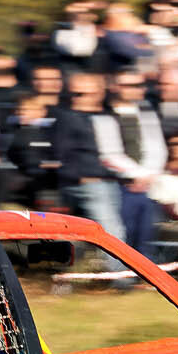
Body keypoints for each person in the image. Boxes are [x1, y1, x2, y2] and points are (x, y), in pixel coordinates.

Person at [52, 72, 124, 241]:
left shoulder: (108, 116)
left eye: (84, 94)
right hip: (89, 183)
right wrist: (80, 177)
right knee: (112, 234)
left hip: (112, 180)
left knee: (116, 230)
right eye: (75, 94)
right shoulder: (67, 118)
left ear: (100, 93)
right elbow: (61, 153)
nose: (78, 98)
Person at [104, 70, 168, 255]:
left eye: (139, 85)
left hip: (147, 184)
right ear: (115, 87)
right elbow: (108, 153)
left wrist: (149, 176)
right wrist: (137, 175)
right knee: (125, 237)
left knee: (146, 238)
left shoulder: (146, 111)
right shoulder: (107, 113)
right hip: (120, 184)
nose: (137, 90)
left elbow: (157, 147)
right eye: (129, 85)